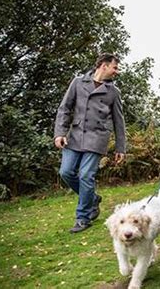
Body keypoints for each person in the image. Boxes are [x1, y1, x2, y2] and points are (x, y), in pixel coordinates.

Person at [54, 53, 126, 233]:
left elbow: (119, 121)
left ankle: (83, 217)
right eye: (115, 67)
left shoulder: (113, 92)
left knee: (86, 176)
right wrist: (60, 133)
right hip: (75, 136)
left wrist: (120, 148)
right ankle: (92, 199)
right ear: (103, 65)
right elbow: (65, 109)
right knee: (66, 172)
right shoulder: (78, 83)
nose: (116, 71)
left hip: (97, 138)